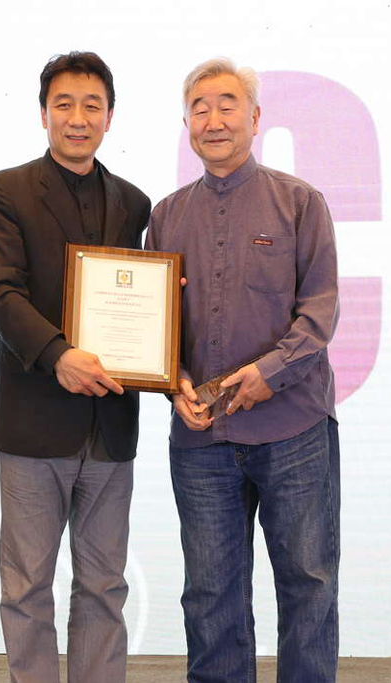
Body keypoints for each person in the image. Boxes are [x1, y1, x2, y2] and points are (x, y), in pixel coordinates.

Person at [145, 57, 341, 683]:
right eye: (199, 108)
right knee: (209, 596)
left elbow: (319, 311)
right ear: (187, 125)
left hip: (293, 430)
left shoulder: (300, 203)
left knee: (308, 585)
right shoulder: (165, 217)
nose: (214, 119)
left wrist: (269, 373)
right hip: (201, 439)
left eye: (227, 105)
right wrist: (171, 380)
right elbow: (155, 324)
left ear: (255, 119)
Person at [0, 51, 150, 683]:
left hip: (111, 426)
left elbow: (147, 306)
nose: (78, 118)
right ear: (44, 113)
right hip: (33, 424)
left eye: (92, 106)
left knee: (105, 587)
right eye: (64, 104)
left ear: (110, 117)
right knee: (26, 588)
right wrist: (58, 356)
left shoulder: (136, 204)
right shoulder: (6, 191)